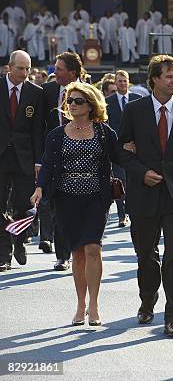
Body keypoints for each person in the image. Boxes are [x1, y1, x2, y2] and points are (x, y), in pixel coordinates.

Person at [117, 54, 173, 338]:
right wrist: (139, 171)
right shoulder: (134, 110)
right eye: (169, 76)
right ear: (155, 78)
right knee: (146, 255)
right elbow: (119, 151)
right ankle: (147, 300)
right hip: (144, 193)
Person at [31, 82, 117, 326]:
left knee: (93, 248)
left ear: (91, 104)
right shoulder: (57, 135)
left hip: (95, 199)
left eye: (79, 101)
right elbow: (47, 165)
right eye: (70, 101)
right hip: (66, 199)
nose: (73, 105)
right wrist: (39, 188)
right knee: (77, 253)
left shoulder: (103, 132)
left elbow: (121, 155)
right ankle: (81, 305)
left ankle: (95, 304)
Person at [0, 51, 44, 272]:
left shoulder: (35, 93)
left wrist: (38, 161)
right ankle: (4, 254)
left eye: (28, 68)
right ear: (9, 67)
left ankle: (18, 240)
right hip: (1, 156)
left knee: (25, 206)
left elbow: (38, 130)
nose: (25, 73)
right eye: (21, 68)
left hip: (24, 158)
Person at [40, 52, 82, 270]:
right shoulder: (47, 91)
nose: (54, 72)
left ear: (72, 72)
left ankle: (80, 251)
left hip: (84, 159)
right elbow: (38, 126)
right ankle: (62, 255)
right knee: (60, 209)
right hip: (57, 158)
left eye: (59, 68)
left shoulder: (89, 92)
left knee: (81, 210)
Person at [106, 70, 141, 228]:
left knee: (133, 181)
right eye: (119, 81)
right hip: (118, 149)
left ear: (129, 82)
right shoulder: (109, 102)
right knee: (120, 181)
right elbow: (107, 126)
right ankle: (122, 215)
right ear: (115, 82)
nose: (122, 83)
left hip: (136, 149)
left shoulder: (137, 99)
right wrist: (119, 145)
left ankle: (134, 211)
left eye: (124, 80)